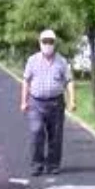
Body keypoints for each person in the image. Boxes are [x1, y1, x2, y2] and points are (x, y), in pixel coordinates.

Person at [20, 29, 77, 176]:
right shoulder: (32, 60)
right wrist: (24, 101)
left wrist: (72, 101)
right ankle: (37, 164)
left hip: (56, 103)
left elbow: (69, 81)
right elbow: (26, 81)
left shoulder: (62, 61)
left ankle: (53, 164)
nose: (47, 44)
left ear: (54, 43)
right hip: (36, 102)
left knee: (55, 135)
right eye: (45, 41)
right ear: (40, 43)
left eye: (50, 42)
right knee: (36, 131)